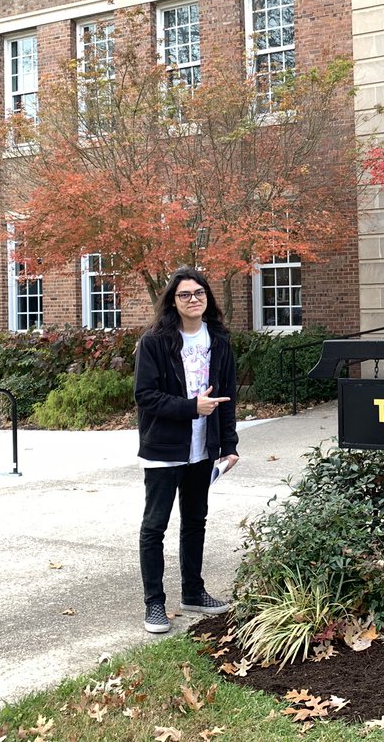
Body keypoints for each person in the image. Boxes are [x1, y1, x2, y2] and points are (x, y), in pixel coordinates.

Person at [134, 266, 239, 634]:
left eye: (199, 293)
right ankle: (154, 605)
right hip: (164, 448)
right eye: (185, 295)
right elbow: (145, 397)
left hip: (202, 448)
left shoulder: (219, 340)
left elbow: (228, 397)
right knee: (155, 526)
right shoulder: (155, 342)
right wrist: (191, 407)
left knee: (195, 522)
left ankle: (193, 592)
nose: (193, 300)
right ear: (172, 301)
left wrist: (229, 445)